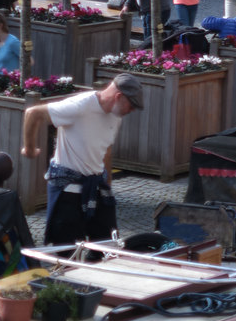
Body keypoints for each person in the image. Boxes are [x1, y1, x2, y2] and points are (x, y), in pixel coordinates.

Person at [22, 72, 145, 246]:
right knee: (66, 250)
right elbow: (32, 113)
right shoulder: (79, 106)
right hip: (67, 188)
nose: (131, 111)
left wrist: (107, 184)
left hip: (96, 186)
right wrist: (29, 148)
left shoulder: (116, 117)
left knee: (107, 247)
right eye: (131, 106)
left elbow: (106, 150)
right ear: (119, 97)